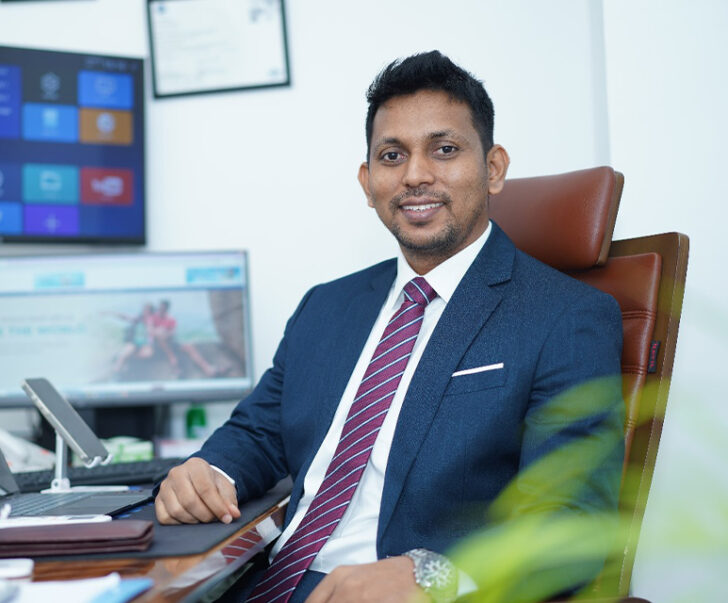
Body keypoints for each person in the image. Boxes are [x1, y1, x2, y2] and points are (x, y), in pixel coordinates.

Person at [154, 50, 624, 602]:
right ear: (367, 180)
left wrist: (434, 576)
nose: (416, 176)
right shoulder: (326, 306)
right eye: (392, 155)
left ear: (494, 168)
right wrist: (209, 471)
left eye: (444, 150)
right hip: (261, 582)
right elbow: (260, 432)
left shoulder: (565, 316)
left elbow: (570, 519)